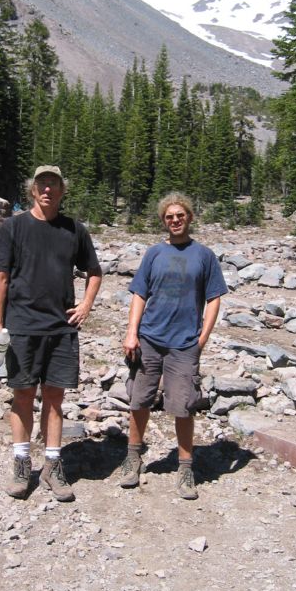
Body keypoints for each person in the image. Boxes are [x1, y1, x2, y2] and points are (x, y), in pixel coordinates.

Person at [0, 165, 102, 502]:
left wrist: (85, 306)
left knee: (55, 399)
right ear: (32, 191)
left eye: (54, 184)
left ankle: (52, 464)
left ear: (63, 191)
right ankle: (22, 464)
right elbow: (0, 276)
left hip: (60, 329)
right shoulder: (14, 226)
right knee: (22, 395)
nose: (48, 190)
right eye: (42, 185)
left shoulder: (73, 230)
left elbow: (94, 272)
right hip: (21, 326)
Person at [121, 193, 228, 499]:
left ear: (189, 217)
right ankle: (133, 457)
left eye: (180, 215)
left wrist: (202, 338)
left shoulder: (204, 255)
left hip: (184, 343)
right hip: (150, 338)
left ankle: (185, 467)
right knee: (139, 400)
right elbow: (140, 294)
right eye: (169, 216)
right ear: (163, 221)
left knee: (183, 405)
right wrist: (132, 332)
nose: (175, 220)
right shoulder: (154, 253)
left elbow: (214, 297)